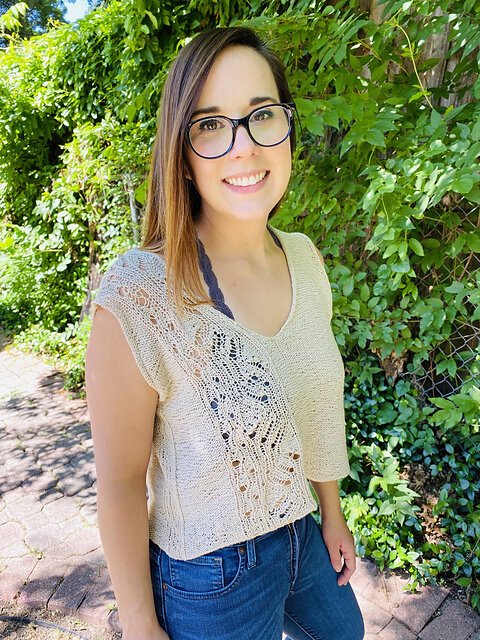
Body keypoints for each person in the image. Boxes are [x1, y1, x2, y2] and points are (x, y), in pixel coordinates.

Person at [85, 26, 365, 640]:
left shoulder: (303, 257)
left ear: (287, 128)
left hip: (301, 527)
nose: (243, 146)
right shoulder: (140, 294)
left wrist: (332, 511)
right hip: (210, 575)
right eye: (211, 124)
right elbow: (121, 481)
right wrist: (139, 623)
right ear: (181, 153)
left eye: (261, 115)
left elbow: (317, 405)